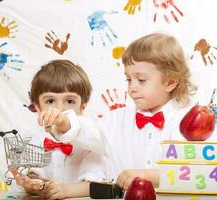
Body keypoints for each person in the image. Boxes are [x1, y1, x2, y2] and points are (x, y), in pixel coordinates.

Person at [42, 33, 198, 191]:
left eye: (141, 80)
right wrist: (65, 122)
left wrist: (148, 176)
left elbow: (192, 174)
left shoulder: (187, 123)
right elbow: (91, 133)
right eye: (129, 79)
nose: (132, 87)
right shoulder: (116, 119)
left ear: (170, 82)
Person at [10, 59, 105, 199]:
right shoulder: (34, 138)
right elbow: (35, 178)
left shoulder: (91, 137)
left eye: (70, 101)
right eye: (50, 101)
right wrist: (32, 184)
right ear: (37, 107)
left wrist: (67, 191)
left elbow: (97, 185)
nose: (60, 109)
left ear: (83, 106)